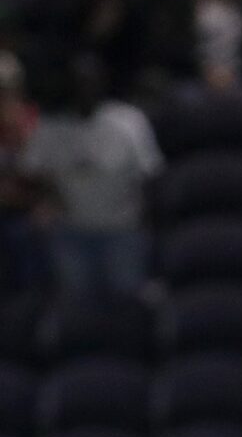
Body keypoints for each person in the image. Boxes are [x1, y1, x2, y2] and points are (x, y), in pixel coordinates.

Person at [20, 55, 160, 297]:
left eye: (90, 81)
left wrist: (147, 220)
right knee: (78, 306)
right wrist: (47, 200)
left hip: (121, 231)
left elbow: (150, 174)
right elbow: (32, 171)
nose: (85, 88)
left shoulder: (129, 121)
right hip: (71, 232)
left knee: (125, 304)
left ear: (102, 82)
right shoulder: (52, 126)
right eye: (79, 82)